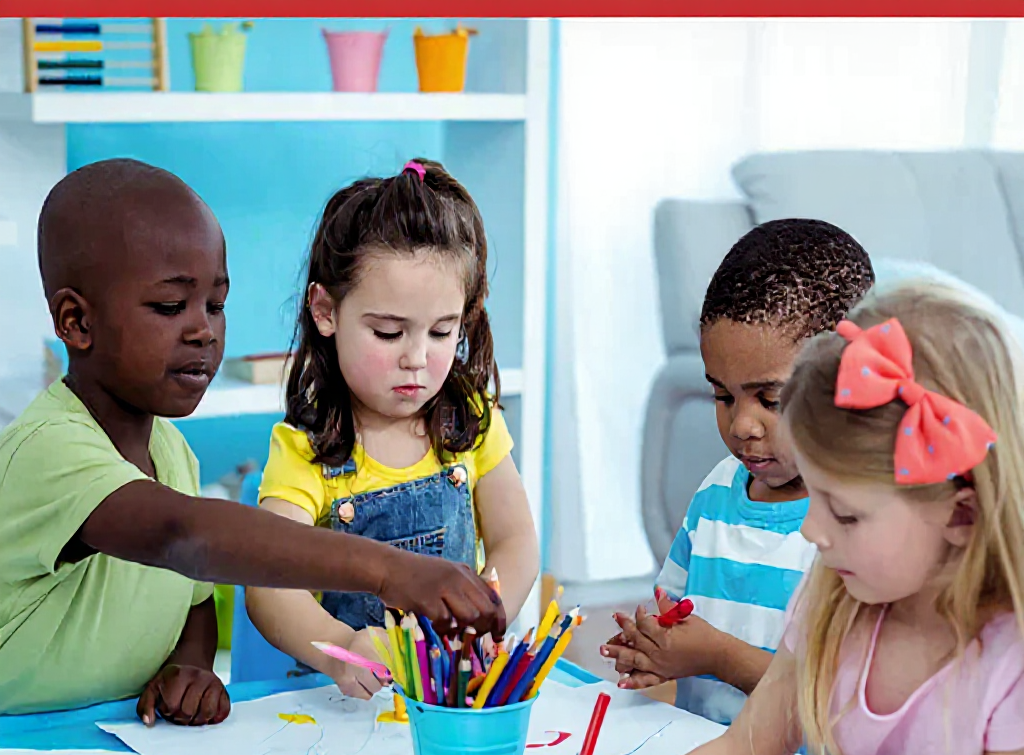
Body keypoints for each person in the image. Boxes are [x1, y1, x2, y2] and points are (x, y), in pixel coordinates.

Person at [518, 282, 1024, 755]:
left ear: (961, 515)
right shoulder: (838, 598)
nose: (812, 530)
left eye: (845, 512)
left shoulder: (1010, 653)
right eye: (813, 494)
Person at [0, 159, 505, 723]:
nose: (203, 330)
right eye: (171, 307)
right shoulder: (48, 449)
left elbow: (191, 602)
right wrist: (393, 571)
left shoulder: (170, 452)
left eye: (215, 305)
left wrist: (190, 668)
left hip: (112, 742)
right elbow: (183, 536)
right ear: (76, 322)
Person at [246, 159, 538, 696]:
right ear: (326, 311)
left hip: (453, 695)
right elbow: (268, 587)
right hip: (350, 708)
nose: (417, 359)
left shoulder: (470, 419)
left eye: (442, 332)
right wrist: (341, 648)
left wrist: (492, 608)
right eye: (387, 333)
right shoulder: (309, 449)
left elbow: (516, 540)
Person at [603, 219, 874, 725]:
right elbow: (676, 609)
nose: (742, 425)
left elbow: (837, 696)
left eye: (770, 399)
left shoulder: (860, 523)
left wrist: (717, 657)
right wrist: (655, 644)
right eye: (722, 395)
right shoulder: (716, 493)